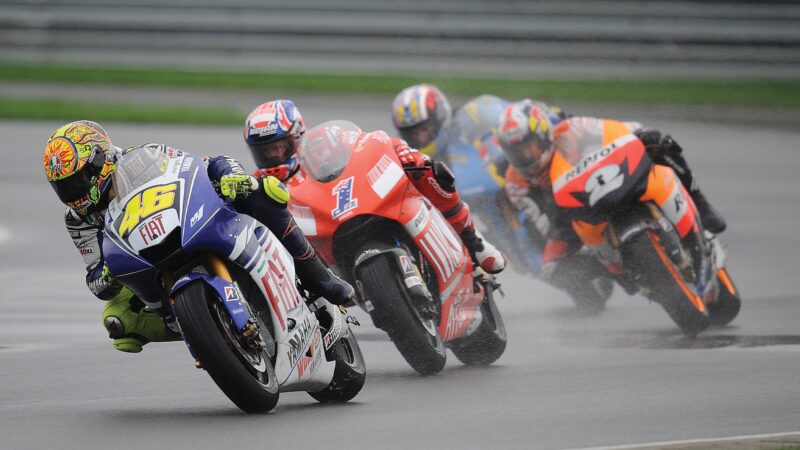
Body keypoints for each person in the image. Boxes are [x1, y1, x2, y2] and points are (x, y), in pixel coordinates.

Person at [42, 120, 354, 353]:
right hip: (143, 264)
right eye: (65, 187)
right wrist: (107, 271)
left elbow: (204, 164)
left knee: (262, 192)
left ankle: (319, 279)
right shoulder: (78, 220)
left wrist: (230, 176)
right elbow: (96, 279)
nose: (74, 192)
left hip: (189, 222)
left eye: (78, 180)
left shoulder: (142, 158)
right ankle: (192, 326)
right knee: (116, 319)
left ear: (99, 160)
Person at [244, 99, 506, 274]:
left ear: (297, 136)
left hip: (358, 199)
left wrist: (396, 154)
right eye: (266, 150)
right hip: (323, 238)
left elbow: (367, 143)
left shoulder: (324, 140)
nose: (275, 154)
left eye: (280, 145)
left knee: (426, 168)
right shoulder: (261, 183)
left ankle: (472, 239)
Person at [495, 99, 727, 294]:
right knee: (552, 269)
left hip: (606, 179)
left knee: (657, 141)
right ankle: (621, 274)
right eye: (516, 152)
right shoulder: (515, 183)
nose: (526, 156)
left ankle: (700, 204)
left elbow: (615, 130)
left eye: (530, 147)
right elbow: (542, 224)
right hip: (571, 215)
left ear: (543, 134)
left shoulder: (570, 129)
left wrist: (637, 135)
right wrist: (559, 224)